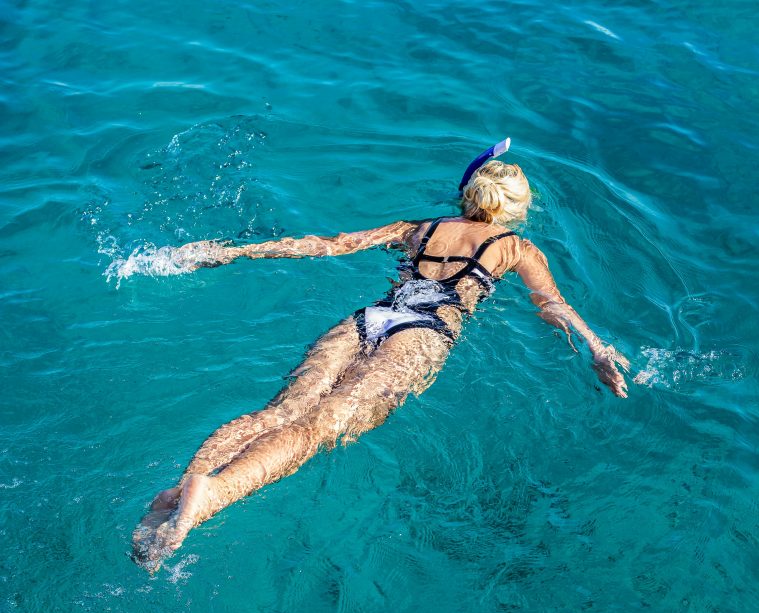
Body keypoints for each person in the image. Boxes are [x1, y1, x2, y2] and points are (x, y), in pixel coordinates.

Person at [131, 142, 630, 572]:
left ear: (468, 195)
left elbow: (332, 245)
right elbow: (552, 305)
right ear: (514, 210)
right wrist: (597, 348)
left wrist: (233, 253)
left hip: (370, 317)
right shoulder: (517, 248)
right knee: (318, 429)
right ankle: (212, 497)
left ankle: (177, 496)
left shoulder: (420, 227)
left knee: (280, 412)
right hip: (424, 333)